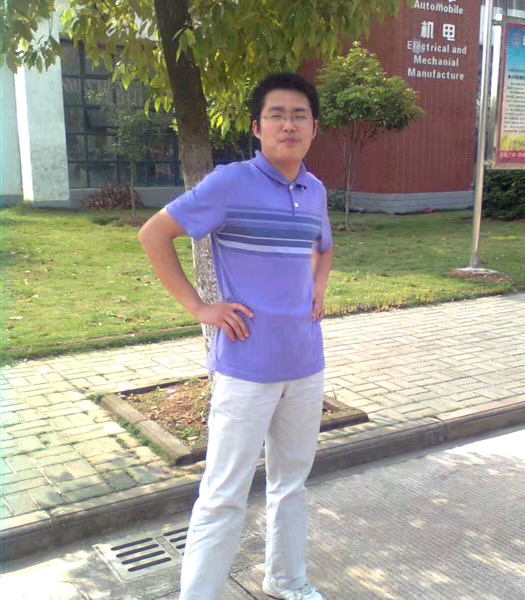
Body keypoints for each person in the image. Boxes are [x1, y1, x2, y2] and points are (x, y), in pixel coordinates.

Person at [138, 72, 334, 600]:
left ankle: (286, 580)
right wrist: (200, 307)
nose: (289, 125)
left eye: (299, 116)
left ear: (314, 128)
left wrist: (318, 288)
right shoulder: (230, 183)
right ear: (256, 127)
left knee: (291, 484)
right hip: (246, 367)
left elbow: (323, 247)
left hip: (306, 363)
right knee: (223, 494)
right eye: (277, 115)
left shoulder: (314, 190)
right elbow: (154, 234)